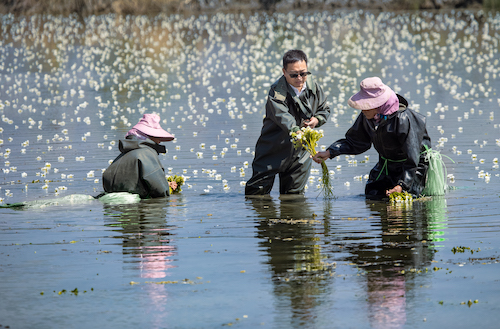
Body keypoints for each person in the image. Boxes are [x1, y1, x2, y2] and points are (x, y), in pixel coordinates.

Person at [313, 77, 431, 198]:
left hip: (413, 168)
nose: (362, 109)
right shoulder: (368, 116)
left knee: (406, 202)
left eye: (365, 105)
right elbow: (355, 141)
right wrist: (329, 152)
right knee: (373, 193)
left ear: (378, 105)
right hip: (386, 164)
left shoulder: (403, 119)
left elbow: (413, 158)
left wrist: (402, 185)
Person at [245, 49, 331, 195]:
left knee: (294, 198)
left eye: (303, 73)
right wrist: (296, 130)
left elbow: (324, 109)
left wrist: (317, 120)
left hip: (300, 154)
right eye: (294, 75)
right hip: (272, 149)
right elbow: (282, 115)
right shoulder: (276, 91)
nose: (299, 78)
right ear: (284, 72)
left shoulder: (314, 87)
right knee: (256, 195)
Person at [102, 113, 177, 198]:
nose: (159, 141)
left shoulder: (121, 156)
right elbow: (161, 191)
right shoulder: (147, 154)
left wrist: (166, 183)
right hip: (137, 207)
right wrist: (168, 188)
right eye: (157, 137)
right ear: (147, 137)